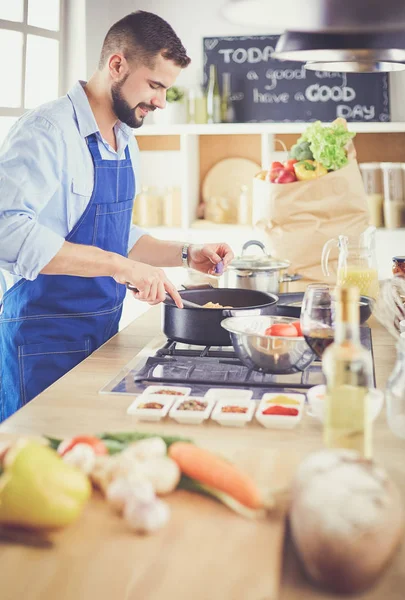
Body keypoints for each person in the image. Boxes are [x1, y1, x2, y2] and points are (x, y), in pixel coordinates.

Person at [0, 11, 234, 421]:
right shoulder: (46, 131)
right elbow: (6, 230)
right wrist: (118, 267)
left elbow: (116, 235)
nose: (161, 101)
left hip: (103, 336)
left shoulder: (125, 141)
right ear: (117, 65)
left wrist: (185, 253)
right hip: (40, 340)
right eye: (156, 85)